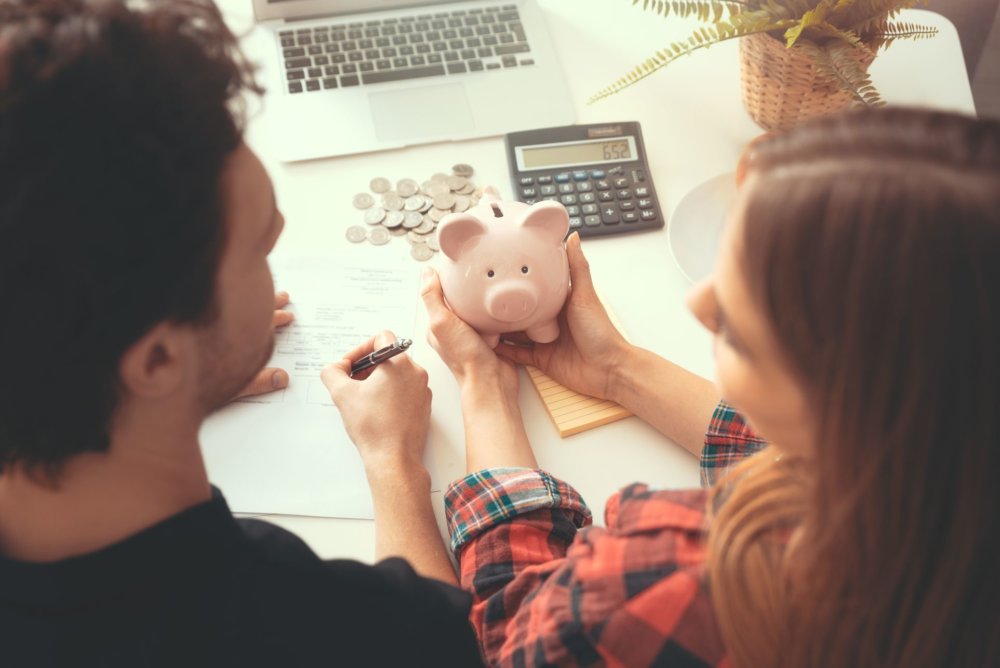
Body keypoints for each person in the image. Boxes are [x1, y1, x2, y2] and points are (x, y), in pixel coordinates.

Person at [420, 107, 1000, 667]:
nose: (700, 305)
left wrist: (475, 394)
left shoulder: (673, 583)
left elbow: (511, 631)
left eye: (744, 325)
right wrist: (617, 368)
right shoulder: (946, 479)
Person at [0, 1, 481, 665]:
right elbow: (437, 640)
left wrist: (161, 402)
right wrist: (392, 462)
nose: (280, 239)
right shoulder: (313, 622)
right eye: (260, 247)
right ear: (158, 357)